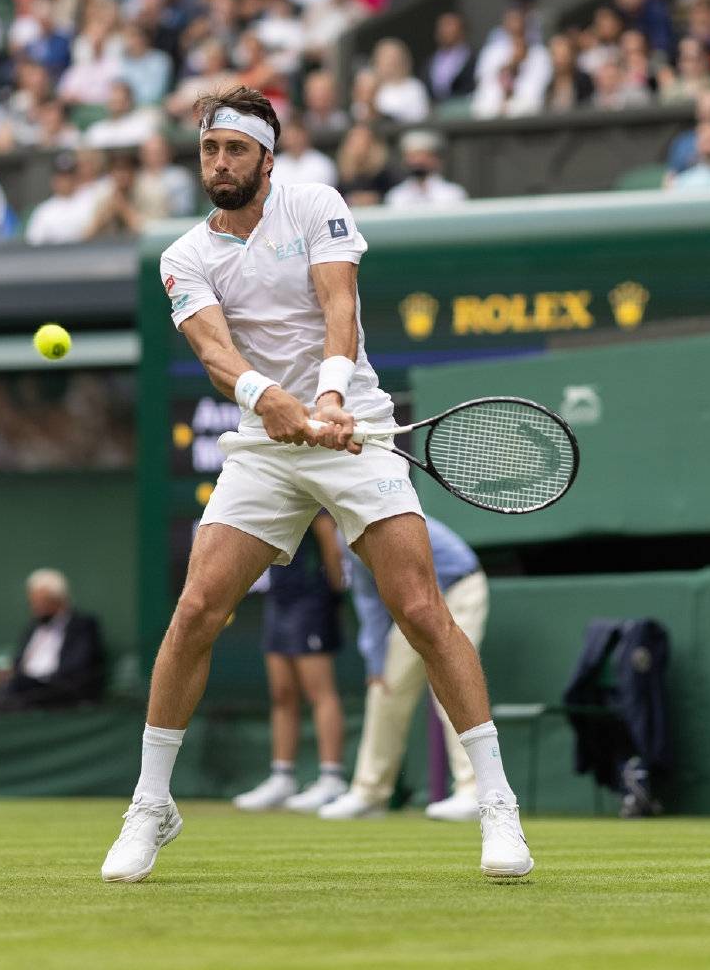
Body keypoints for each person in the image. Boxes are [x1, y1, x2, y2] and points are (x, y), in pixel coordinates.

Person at [100, 86, 531, 884]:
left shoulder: (314, 205)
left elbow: (340, 307)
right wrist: (274, 402)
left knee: (421, 611)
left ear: (267, 157)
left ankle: (496, 804)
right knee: (196, 608)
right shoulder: (183, 255)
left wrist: (328, 396)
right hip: (264, 443)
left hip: (353, 428)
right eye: (208, 150)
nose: (219, 163)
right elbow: (215, 353)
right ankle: (150, 805)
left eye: (234, 149)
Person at [319, 515, 489, 820]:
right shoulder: (345, 535)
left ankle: (474, 791)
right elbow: (369, 599)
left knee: (450, 689)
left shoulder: (392, 517)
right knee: (385, 689)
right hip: (418, 603)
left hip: (458, 587)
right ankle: (369, 794)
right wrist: (376, 662)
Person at [232, 512, 349, 813]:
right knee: (282, 693)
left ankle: (332, 778)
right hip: (279, 598)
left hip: (311, 598)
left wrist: (332, 592)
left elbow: (328, 538)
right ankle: (282, 778)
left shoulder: (313, 494)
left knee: (319, 692)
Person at [0, 568, 107, 711]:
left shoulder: (82, 626)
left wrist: (43, 679)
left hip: (62, 689)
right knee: (9, 688)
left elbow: (79, 667)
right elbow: (19, 662)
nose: (36, 608)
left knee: (16, 692)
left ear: (60, 600)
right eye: (33, 602)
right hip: (26, 686)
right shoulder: (32, 628)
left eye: (42, 602)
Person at [384, 130, 468, 208]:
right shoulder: (396, 196)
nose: (417, 161)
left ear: (436, 159)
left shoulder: (454, 194)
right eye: (412, 156)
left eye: (424, 155)